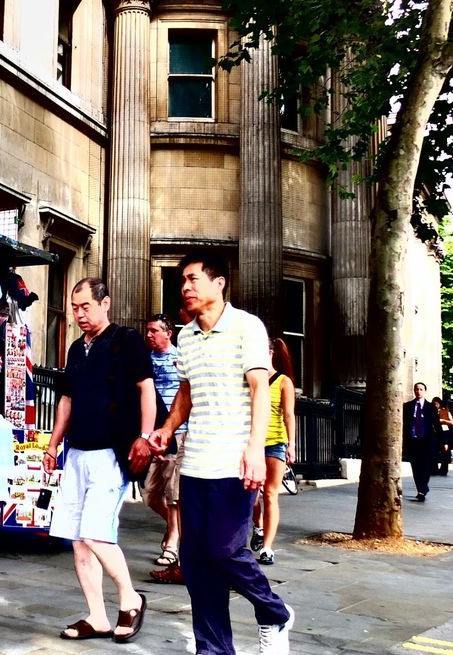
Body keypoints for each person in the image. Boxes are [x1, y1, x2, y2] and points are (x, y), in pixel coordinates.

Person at [148, 251, 295, 655]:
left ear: (219, 283)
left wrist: (253, 449)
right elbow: (187, 391)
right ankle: (213, 649)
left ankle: (274, 612)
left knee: (227, 550)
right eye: (182, 281)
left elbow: (259, 389)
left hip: (234, 463)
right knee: (197, 563)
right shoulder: (185, 336)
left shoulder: (247, 327)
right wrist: (165, 428)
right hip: (195, 463)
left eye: (194, 278)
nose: (186, 287)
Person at [43, 277, 155, 644]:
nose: (78, 314)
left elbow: (146, 389)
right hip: (76, 451)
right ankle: (97, 616)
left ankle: (131, 598)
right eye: (74, 308)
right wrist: (52, 445)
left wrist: (146, 437)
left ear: (105, 303)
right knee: (78, 539)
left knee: (96, 532)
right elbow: (66, 401)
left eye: (85, 307)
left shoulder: (127, 341)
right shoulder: (76, 349)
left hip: (111, 451)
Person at [142, 313, 185, 585]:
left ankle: (173, 543)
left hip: (178, 434)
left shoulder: (180, 358)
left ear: (168, 333)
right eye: (147, 331)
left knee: (173, 495)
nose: (149, 335)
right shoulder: (143, 362)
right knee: (150, 494)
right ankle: (174, 527)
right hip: (154, 435)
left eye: (154, 331)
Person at [251, 338, 296, 566]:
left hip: (275, 442)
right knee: (251, 494)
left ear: (270, 353)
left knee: (270, 494)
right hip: (252, 443)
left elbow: (288, 414)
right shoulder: (250, 379)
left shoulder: (283, 381)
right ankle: (257, 527)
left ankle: (267, 548)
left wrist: (292, 444)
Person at [402, 383, 442, 502]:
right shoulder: (408, 406)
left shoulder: (430, 407)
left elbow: (436, 424)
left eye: (421, 389)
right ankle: (420, 488)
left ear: (425, 391)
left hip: (426, 441)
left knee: (426, 466)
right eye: (416, 389)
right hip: (413, 441)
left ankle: (423, 488)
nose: (418, 391)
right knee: (416, 467)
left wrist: (442, 441)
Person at [433, 397, 453, 476]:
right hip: (435, 434)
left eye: (436, 404)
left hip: (444, 434)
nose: (435, 405)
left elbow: (452, 422)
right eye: (434, 404)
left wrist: (443, 421)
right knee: (433, 452)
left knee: (445, 452)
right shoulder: (432, 412)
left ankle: (443, 470)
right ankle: (434, 469)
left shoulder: (445, 411)